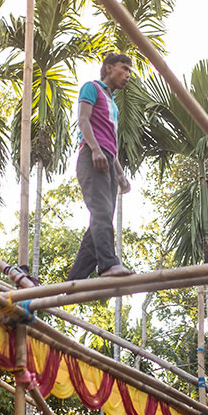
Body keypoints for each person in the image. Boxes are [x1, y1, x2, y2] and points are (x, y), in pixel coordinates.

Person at [66, 52, 135, 280]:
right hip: (91, 154)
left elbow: (111, 143)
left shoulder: (113, 105)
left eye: (129, 71)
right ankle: (108, 264)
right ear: (108, 68)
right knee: (101, 211)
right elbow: (83, 120)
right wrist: (94, 149)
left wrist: (121, 174)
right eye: (123, 68)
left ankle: (75, 279)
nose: (127, 75)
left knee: (101, 218)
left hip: (107, 157)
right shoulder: (91, 88)